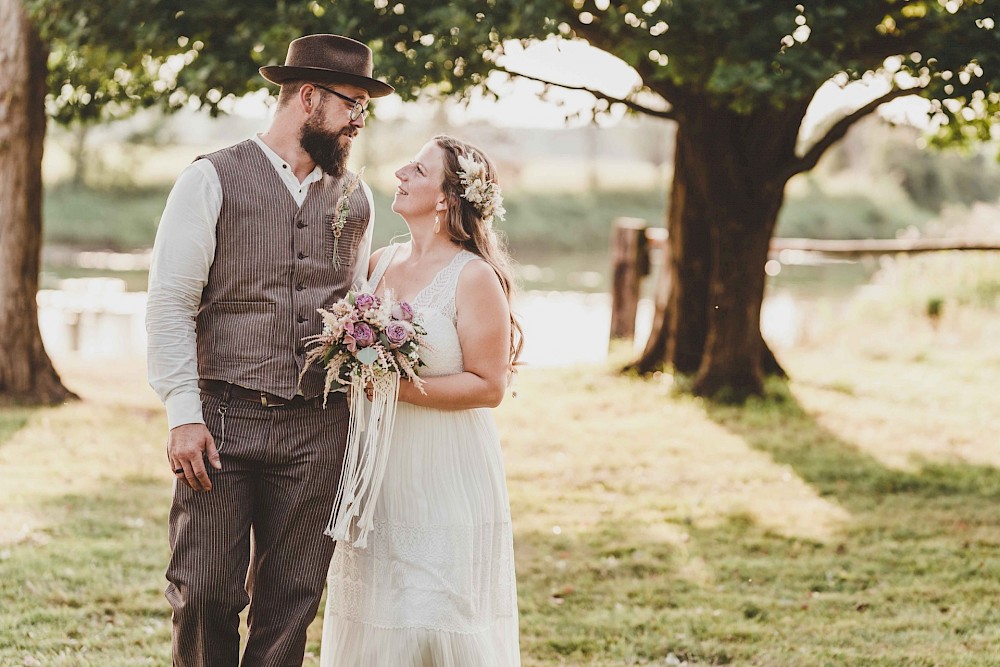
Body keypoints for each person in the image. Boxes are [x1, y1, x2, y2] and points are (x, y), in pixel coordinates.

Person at [145, 34, 393, 667]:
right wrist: (182, 412)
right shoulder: (210, 178)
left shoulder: (356, 197)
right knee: (202, 591)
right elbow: (171, 303)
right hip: (222, 419)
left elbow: (353, 306)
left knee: (292, 600)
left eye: (366, 107)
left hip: (318, 428)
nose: (359, 119)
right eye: (352, 103)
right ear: (307, 97)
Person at [319, 135, 522, 665]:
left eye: (417, 169)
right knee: (380, 609)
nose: (400, 174)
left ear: (446, 198)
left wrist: (395, 387)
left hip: (445, 466)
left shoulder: (473, 276)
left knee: (435, 614)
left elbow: (489, 385)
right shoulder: (380, 262)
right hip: (377, 464)